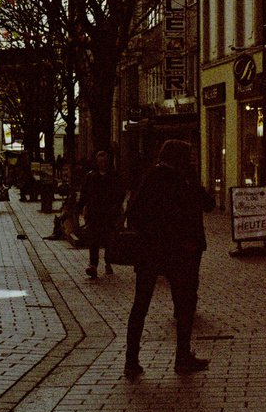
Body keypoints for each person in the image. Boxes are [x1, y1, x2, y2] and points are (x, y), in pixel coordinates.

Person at [124, 139, 212, 377]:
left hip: (152, 252)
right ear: (179, 158)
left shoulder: (153, 176)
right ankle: (181, 356)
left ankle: (131, 360)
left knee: (141, 304)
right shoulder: (177, 180)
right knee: (183, 306)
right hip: (177, 253)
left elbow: (134, 212)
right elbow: (205, 204)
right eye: (188, 156)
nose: (191, 161)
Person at [78, 151, 124, 279]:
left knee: (108, 239)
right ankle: (93, 265)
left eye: (104, 161)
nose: (102, 163)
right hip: (95, 212)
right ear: (96, 162)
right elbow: (84, 193)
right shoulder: (91, 176)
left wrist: (116, 206)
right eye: (100, 160)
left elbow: (121, 192)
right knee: (94, 240)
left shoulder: (114, 176)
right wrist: (81, 208)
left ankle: (108, 262)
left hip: (109, 213)